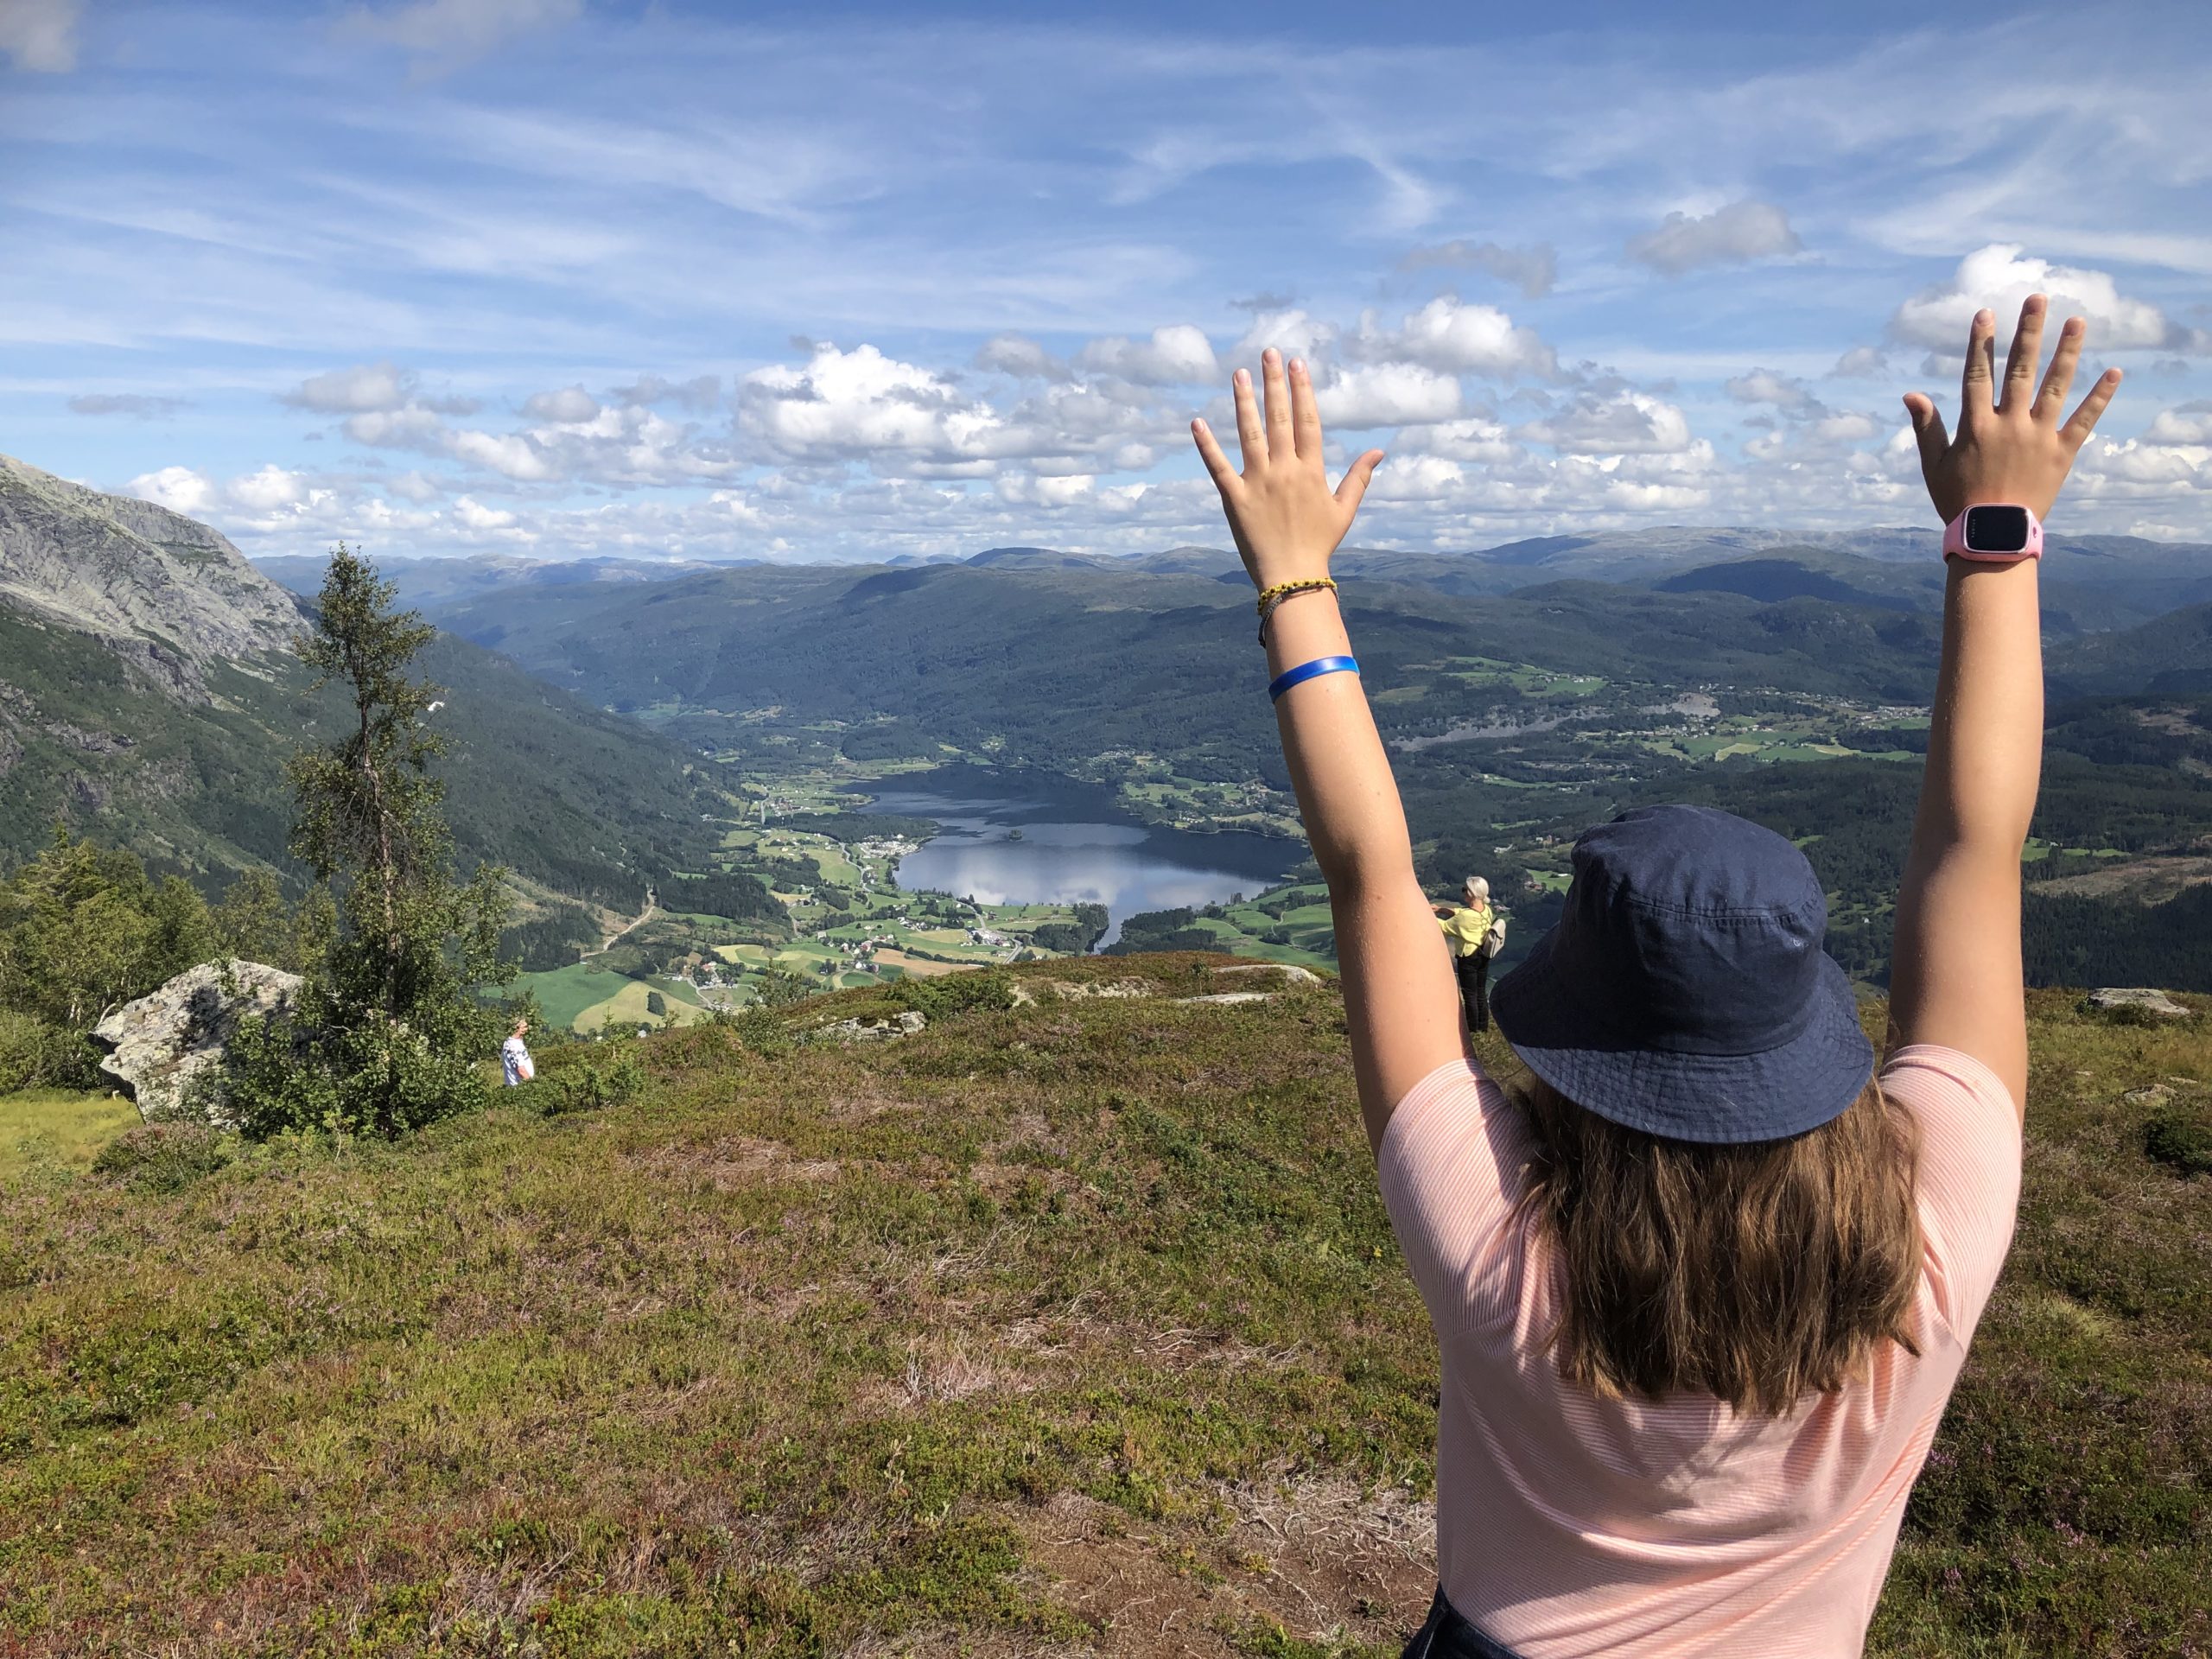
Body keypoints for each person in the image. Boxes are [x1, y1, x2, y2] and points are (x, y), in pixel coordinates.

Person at [1189, 297, 2119, 1658]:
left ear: (1582, 1037)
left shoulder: (1510, 1255)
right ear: (1802, 1021)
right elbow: (1975, 852)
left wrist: (1291, 577)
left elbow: (1370, 877)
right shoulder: (1929, 1242)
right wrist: (1997, 539)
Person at [1432, 877, 1503, 1033]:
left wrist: (1425, 913)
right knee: (1480, 993)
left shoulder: (1466, 917)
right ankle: (1482, 1028)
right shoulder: (1486, 910)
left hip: (1468, 957)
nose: (1463, 891)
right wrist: (1442, 909)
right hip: (1483, 955)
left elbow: (1443, 926)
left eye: (1466, 889)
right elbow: (1462, 912)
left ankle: (1472, 1029)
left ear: (1473, 893)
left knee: (1469, 994)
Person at [500, 1018, 534, 1086]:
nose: (526, 1029)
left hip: (522, 1084)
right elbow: (520, 1069)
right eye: (524, 1027)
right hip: (519, 1086)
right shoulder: (513, 1046)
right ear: (517, 1028)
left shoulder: (515, 1042)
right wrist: (531, 1085)